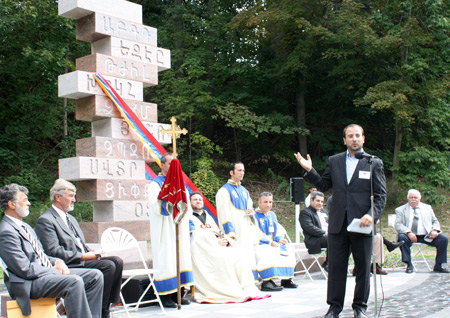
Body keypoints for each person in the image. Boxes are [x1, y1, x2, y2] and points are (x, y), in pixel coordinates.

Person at [295, 124, 387, 318]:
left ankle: (359, 307)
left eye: (357, 136)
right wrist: (310, 170)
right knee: (336, 269)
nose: (354, 139)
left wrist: (372, 214)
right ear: (344, 140)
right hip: (338, 224)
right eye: (350, 136)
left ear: (363, 139)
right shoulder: (334, 161)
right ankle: (334, 308)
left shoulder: (373, 163)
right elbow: (324, 185)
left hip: (362, 225)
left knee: (362, 268)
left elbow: (380, 196)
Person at [0, 183, 103, 318]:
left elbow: (41, 255)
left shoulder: (25, 226)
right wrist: (53, 270)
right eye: (25, 200)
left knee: (95, 276)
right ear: (12, 204)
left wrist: (58, 261)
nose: (29, 203)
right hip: (29, 283)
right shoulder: (6, 232)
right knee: (74, 282)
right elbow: (24, 269)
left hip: (43, 275)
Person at [35, 179, 123, 318]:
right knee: (108, 266)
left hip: (82, 259)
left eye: (74, 196)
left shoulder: (70, 218)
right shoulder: (46, 220)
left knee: (117, 261)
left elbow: (79, 243)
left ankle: (106, 306)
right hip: (67, 263)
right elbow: (53, 251)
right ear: (58, 197)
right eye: (70, 196)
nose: (74, 200)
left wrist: (90, 252)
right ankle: (101, 311)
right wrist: (83, 256)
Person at [189, 192, 267, 303]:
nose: (198, 201)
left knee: (238, 255)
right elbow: (195, 236)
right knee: (224, 258)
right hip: (202, 251)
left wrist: (224, 239)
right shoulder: (189, 218)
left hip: (216, 246)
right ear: (190, 202)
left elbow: (216, 231)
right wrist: (215, 242)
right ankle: (229, 290)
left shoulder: (208, 216)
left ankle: (244, 287)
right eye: (195, 199)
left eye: (200, 199)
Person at [147, 153, 193, 308]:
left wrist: (182, 210)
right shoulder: (155, 184)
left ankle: (178, 292)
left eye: (176, 164)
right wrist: (170, 203)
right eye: (170, 163)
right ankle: (165, 295)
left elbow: (188, 206)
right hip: (165, 227)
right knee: (166, 258)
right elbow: (155, 205)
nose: (174, 167)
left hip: (178, 225)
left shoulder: (181, 184)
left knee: (180, 257)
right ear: (162, 165)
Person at [325, 195, 403, 276]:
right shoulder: (333, 199)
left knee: (377, 237)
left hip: (357, 227)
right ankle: (387, 245)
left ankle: (375, 265)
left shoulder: (357, 198)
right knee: (364, 236)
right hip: (343, 230)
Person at [216, 162, 259, 281]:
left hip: (245, 228)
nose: (242, 173)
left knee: (247, 254)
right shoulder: (224, 191)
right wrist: (230, 232)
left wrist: (251, 213)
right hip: (234, 230)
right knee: (235, 255)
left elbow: (249, 207)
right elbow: (223, 212)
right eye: (239, 170)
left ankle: (249, 280)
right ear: (231, 172)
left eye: (243, 170)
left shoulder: (245, 191)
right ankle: (236, 281)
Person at [395, 189, 448, 273]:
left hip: (426, 235)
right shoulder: (400, 210)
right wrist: (408, 232)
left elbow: (435, 221)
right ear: (408, 198)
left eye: (415, 197)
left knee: (443, 239)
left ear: (419, 199)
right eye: (411, 197)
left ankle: (438, 265)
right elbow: (398, 225)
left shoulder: (427, 208)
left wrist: (434, 230)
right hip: (409, 236)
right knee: (401, 237)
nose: (413, 199)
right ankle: (409, 265)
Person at [254, 192, 297, 291]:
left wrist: (279, 239)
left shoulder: (272, 215)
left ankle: (286, 279)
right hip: (259, 244)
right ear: (259, 202)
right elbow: (253, 234)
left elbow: (276, 232)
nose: (268, 205)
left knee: (289, 249)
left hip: (273, 243)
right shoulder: (254, 215)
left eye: (270, 202)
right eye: (265, 202)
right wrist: (269, 242)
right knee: (270, 251)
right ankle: (267, 282)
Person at [299, 191, 329, 270]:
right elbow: (309, 227)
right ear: (311, 200)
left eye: (322, 201)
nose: (320, 203)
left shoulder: (324, 212)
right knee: (333, 240)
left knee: (346, 239)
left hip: (327, 237)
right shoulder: (305, 213)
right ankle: (329, 264)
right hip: (315, 239)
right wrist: (325, 233)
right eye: (318, 201)